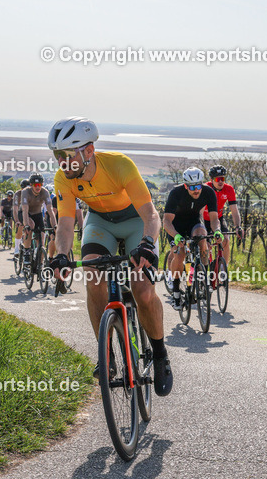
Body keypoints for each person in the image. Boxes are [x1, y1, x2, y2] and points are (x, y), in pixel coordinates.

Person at [45, 117, 172, 396]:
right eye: (57, 156)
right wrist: (63, 255)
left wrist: (148, 243)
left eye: (67, 155)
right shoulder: (62, 179)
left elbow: (151, 215)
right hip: (100, 222)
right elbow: (65, 224)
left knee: (142, 289)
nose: (62, 163)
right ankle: (107, 355)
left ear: (88, 151)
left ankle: (160, 353)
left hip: (134, 220)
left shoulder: (119, 165)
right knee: (93, 278)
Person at [164, 168, 220, 307]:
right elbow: (166, 221)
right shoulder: (176, 193)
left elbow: (214, 218)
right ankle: (176, 291)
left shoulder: (208, 192)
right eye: (192, 187)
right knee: (180, 254)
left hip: (194, 222)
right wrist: (176, 236)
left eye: (198, 186)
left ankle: (203, 279)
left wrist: (217, 230)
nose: (196, 190)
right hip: (175, 225)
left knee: (203, 239)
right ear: (185, 186)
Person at [205, 165, 242, 262]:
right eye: (217, 179)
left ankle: (223, 269)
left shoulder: (229, 189)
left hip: (218, 218)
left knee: (226, 239)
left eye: (222, 178)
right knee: (205, 244)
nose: (220, 181)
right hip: (203, 219)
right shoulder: (205, 188)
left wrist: (238, 227)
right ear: (211, 179)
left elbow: (234, 211)